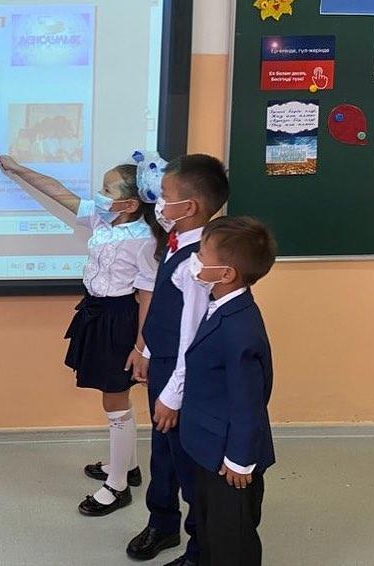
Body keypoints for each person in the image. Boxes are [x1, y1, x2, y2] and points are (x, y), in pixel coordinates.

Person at [0, 151, 167, 515]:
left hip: (120, 320)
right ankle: (128, 467)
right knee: (115, 395)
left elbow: (147, 298)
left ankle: (117, 486)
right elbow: (58, 191)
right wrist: (18, 169)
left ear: (130, 204)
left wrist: (141, 348)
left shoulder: (143, 240)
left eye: (107, 190)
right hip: (97, 314)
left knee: (114, 400)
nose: (99, 195)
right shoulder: (102, 219)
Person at [126, 154, 229, 566]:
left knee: (188, 463)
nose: (158, 202)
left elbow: (193, 336)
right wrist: (146, 351)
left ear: (190, 207)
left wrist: (173, 393)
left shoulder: (201, 261)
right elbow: (167, 312)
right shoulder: (177, 240)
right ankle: (162, 522)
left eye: (165, 195)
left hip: (182, 375)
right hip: (163, 362)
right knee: (163, 452)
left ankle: (200, 549)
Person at [181, 216, 276, 566]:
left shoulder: (240, 328)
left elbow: (248, 402)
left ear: (226, 274)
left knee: (231, 538)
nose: (196, 259)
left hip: (230, 460)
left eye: (202, 254)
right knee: (210, 529)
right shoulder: (221, 305)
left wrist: (239, 459)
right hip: (209, 447)